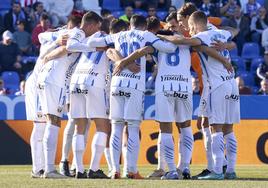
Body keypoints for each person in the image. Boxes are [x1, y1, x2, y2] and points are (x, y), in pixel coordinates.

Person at [88, 14, 177, 179]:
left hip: (117, 82)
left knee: (116, 127)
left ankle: (114, 170)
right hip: (135, 85)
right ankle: (131, 170)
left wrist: (111, 51)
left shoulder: (119, 35)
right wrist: (155, 42)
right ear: (144, 26)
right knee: (133, 127)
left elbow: (92, 43)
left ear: (130, 25)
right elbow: (170, 48)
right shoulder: (146, 35)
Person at [162, 10, 239, 180]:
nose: (190, 30)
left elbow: (181, 40)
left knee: (215, 127)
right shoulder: (221, 33)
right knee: (229, 129)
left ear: (196, 24)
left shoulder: (203, 35)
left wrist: (161, 37)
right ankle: (231, 170)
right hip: (232, 83)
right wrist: (226, 45)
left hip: (216, 85)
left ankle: (217, 171)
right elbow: (234, 31)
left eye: (190, 26)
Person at [36, 12, 83, 178]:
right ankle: (49, 169)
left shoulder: (59, 33)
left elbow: (41, 36)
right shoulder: (77, 33)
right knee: (54, 121)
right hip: (55, 79)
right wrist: (48, 56)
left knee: (50, 120)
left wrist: (53, 42)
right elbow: (66, 49)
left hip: (43, 77)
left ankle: (47, 168)